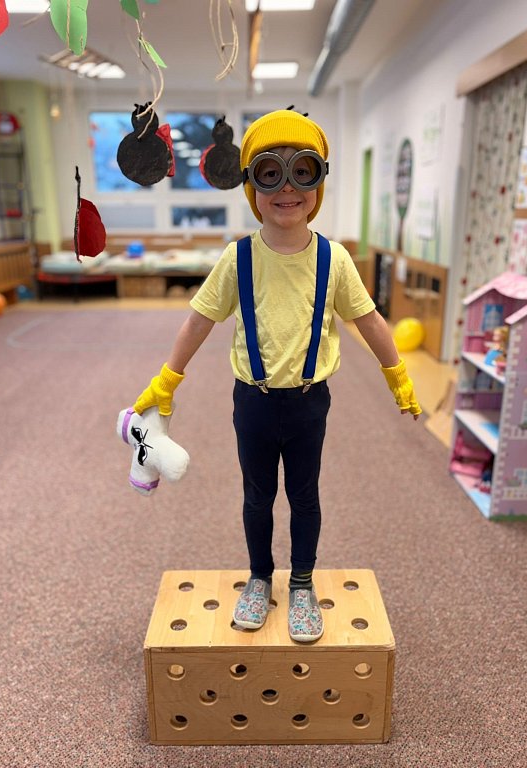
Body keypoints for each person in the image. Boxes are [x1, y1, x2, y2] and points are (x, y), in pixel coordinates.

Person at [132, 108, 421, 643]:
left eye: (302, 171)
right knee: (257, 495)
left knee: (305, 495)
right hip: (254, 401)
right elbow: (199, 320)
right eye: (270, 173)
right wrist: (168, 378)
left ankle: (303, 582)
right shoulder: (238, 258)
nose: (287, 188)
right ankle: (261, 578)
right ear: (252, 185)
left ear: (319, 181)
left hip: (310, 402)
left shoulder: (334, 259)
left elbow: (369, 320)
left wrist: (396, 374)